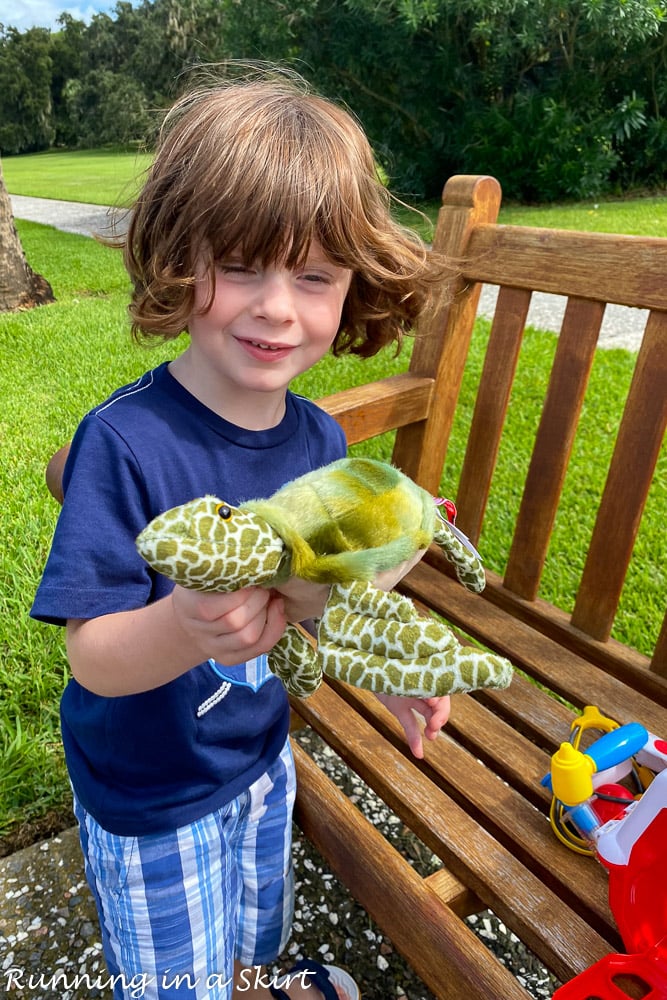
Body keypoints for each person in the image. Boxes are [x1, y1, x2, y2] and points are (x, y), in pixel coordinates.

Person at [31, 71, 450, 1000]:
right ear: (180, 260)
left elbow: (320, 603)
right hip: (147, 791)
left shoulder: (320, 442)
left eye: (314, 276)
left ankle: (253, 981)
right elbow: (92, 657)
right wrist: (185, 629)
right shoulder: (126, 441)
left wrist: (385, 675)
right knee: (176, 975)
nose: (276, 307)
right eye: (242, 265)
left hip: (260, 754)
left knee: (255, 917)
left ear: (353, 287)